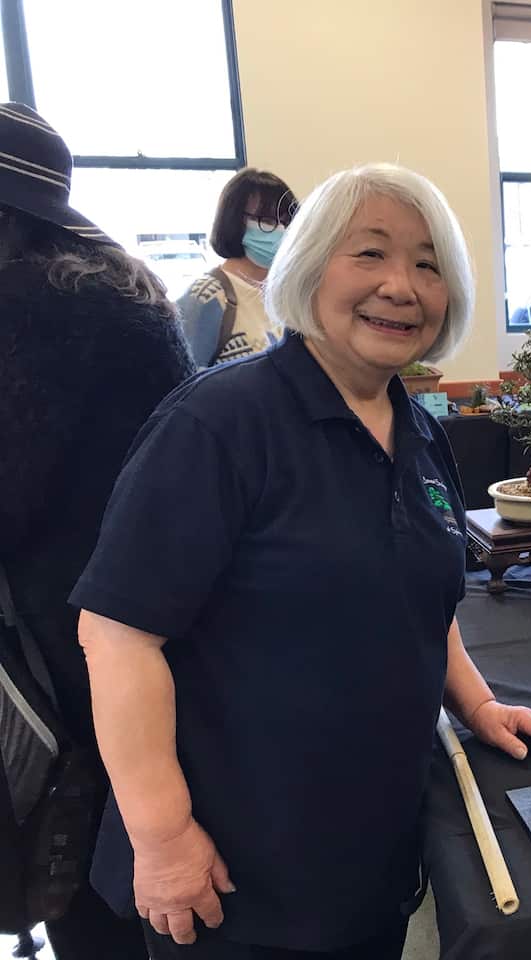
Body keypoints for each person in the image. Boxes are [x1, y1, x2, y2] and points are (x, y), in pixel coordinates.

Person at [71, 163, 531, 959]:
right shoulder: (221, 424)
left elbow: (417, 603)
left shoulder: (421, 429)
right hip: (234, 874)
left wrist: (475, 704)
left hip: (364, 852)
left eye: (429, 264)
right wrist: (162, 839)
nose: (402, 286)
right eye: (369, 254)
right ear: (305, 266)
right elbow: (118, 635)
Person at [0, 102, 195, 959]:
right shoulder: (120, 288)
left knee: (85, 882)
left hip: (72, 647)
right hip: (162, 624)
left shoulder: (32, 311)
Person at [176, 168, 297, 367]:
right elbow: (183, 384)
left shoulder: (285, 295)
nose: (281, 231)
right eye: (267, 221)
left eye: (286, 222)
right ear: (234, 220)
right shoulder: (208, 296)